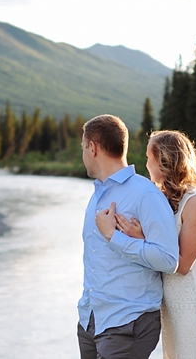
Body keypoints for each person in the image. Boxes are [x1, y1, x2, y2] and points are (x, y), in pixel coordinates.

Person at [78, 114, 179, 359]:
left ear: (93, 148)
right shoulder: (97, 195)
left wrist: (114, 236)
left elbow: (169, 259)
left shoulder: (145, 194)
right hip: (91, 320)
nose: (82, 154)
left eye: (83, 147)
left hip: (127, 323)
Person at [116, 130, 196, 359]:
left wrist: (141, 239)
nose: (145, 163)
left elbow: (182, 265)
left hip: (194, 304)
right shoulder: (164, 198)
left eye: (148, 157)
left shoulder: (195, 203)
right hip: (171, 307)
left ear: (164, 160)